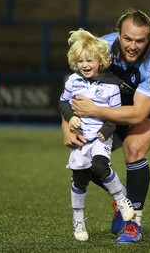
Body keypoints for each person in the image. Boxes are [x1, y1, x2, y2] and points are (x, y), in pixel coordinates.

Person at [62, 8, 150, 243]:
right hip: (111, 102)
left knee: (133, 147)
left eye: (140, 40)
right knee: (85, 158)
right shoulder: (100, 47)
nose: (133, 46)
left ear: (149, 39)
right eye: (127, 39)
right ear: (117, 34)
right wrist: (67, 127)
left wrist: (94, 110)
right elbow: (74, 90)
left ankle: (133, 223)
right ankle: (122, 197)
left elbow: (137, 114)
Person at [59, 28, 135, 242]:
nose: (85, 65)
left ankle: (121, 200)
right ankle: (79, 219)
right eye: (81, 60)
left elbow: (115, 113)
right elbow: (64, 102)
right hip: (80, 139)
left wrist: (106, 130)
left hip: (101, 137)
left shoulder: (111, 85)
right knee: (80, 179)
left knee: (101, 166)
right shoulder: (73, 81)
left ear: (100, 61)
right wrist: (70, 117)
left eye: (90, 60)